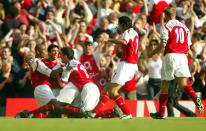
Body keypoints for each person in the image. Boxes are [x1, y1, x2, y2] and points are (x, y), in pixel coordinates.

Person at [149, 7, 204, 119]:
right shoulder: (185, 28)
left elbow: (163, 44)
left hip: (171, 56)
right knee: (184, 85)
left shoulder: (166, 26)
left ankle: (160, 113)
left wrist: (151, 53)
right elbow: (188, 47)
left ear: (165, 15)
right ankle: (195, 98)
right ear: (175, 15)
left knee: (165, 85)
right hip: (183, 57)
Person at [92, 16, 139, 119]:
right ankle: (94, 112)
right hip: (131, 64)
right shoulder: (134, 32)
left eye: (119, 24)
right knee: (108, 88)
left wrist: (109, 39)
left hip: (127, 64)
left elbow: (124, 42)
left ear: (123, 24)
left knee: (113, 91)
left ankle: (127, 113)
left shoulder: (126, 32)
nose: (118, 26)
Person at [58, 47, 119, 118]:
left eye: (61, 55)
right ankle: (112, 112)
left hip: (88, 89)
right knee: (82, 113)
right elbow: (82, 75)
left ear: (65, 56)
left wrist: (57, 75)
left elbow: (62, 84)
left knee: (87, 113)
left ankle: (111, 112)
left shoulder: (69, 65)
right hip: (90, 87)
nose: (60, 57)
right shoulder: (77, 62)